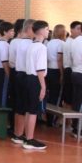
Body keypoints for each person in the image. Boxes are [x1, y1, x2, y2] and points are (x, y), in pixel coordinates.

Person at [22, 21, 49, 150]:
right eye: (47, 29)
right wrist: (43, 86)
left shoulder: (31, 45)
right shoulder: (41, 47)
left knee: (28, 109)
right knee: (33, 110)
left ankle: (27, 137)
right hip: (35, 80)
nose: (48, 32)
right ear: (41, 30)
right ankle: (30, 139)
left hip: (28, 78)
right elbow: (40, 70)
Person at [45, 24, 65, 111]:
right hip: (57, 70)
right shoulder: (62, 43)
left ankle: (49, 117)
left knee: (50, 94)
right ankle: (53, 118)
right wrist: (62, 74)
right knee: (56, 95)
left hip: (49, 69)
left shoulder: (49, 43)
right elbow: (59, 59)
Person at [61, 20, 81, 107]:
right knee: (69, 97)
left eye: (81, 29)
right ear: (71, 30)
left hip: (71, 70)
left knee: (71, 96)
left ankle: (69, 119)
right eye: (78, 29)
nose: (80, 31)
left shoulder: (75, 41)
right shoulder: (70, 42)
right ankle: (68, 120)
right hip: (70, 70)